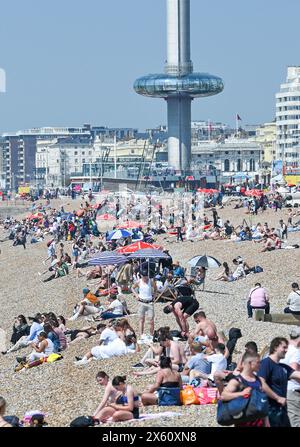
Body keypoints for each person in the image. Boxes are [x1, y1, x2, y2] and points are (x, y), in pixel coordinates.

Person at [258, 337, 300, 427]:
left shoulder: (283, 367)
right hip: (270, 409)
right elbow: (261, 383)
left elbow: (297, 374)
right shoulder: (266, 363)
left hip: (282, 409)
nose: (286, 350)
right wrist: (277, 398)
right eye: (284, 347)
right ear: (275, 347)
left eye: (287, 348)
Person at [220, 352, 270, 427]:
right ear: (250, 363)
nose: (260, 365)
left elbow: (263, 402)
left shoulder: (259, 380)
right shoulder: (237, 381)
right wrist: (241, 394)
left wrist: (266, 422)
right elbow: (223, 396)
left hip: (259, 423)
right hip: (243, 423)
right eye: (258, 363)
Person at [280, 328, 300, 427]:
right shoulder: (297, 352)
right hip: (293, 390)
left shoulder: (282, 350)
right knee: (295, 421)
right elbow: (293, 370)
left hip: (280, 389)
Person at [131, 271, 157, 337]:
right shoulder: (139, 282)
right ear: (141, 275)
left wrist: (154, 296)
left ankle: (151, 335)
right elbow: (132, 288)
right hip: (141, 302)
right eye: (144, 276)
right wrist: (136, 295)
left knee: (151, 320)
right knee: (141, 319)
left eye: (146, 276)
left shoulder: (150, 281)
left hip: (150, 302)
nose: (146, 277)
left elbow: (155, 288)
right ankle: (141, 334)